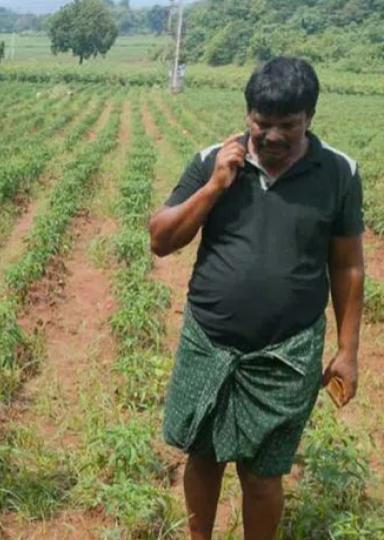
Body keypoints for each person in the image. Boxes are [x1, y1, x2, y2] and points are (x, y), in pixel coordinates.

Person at [150, 57, 364, 540]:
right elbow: (160, 240)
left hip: (287, 351)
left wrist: (349, 351)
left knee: (263, 475)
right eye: (260, 124)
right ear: (247, 116)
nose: (270, 136)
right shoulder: (215, 159)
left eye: (286, 126)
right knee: (203, 456)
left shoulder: (339, 173)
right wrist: (215, 186)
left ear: (309, 117)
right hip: (211, 338)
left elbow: (348, 264)